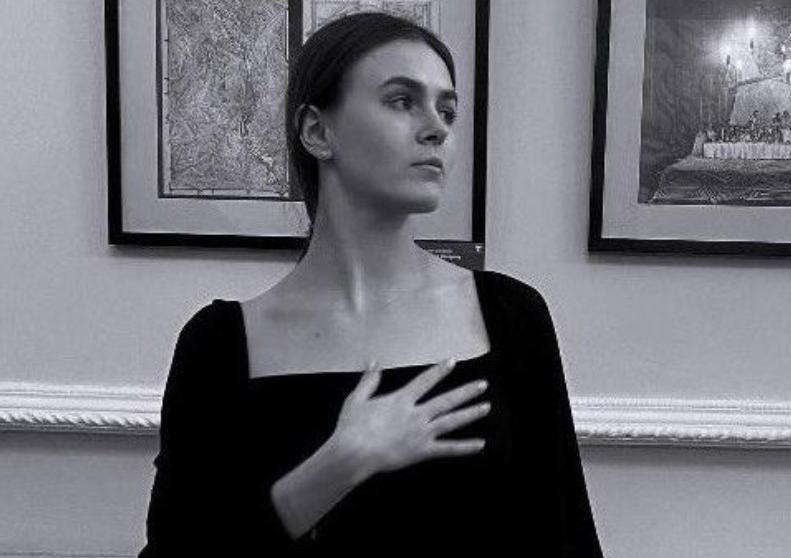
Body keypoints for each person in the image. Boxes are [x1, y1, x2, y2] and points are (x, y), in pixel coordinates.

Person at [138, 12, 603, 558]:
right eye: (402, 101)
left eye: (447, 111)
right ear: (318, 131)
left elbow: (566, 536)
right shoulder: (218, 344)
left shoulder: (511, 314)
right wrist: (340, 463)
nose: (437, 129)